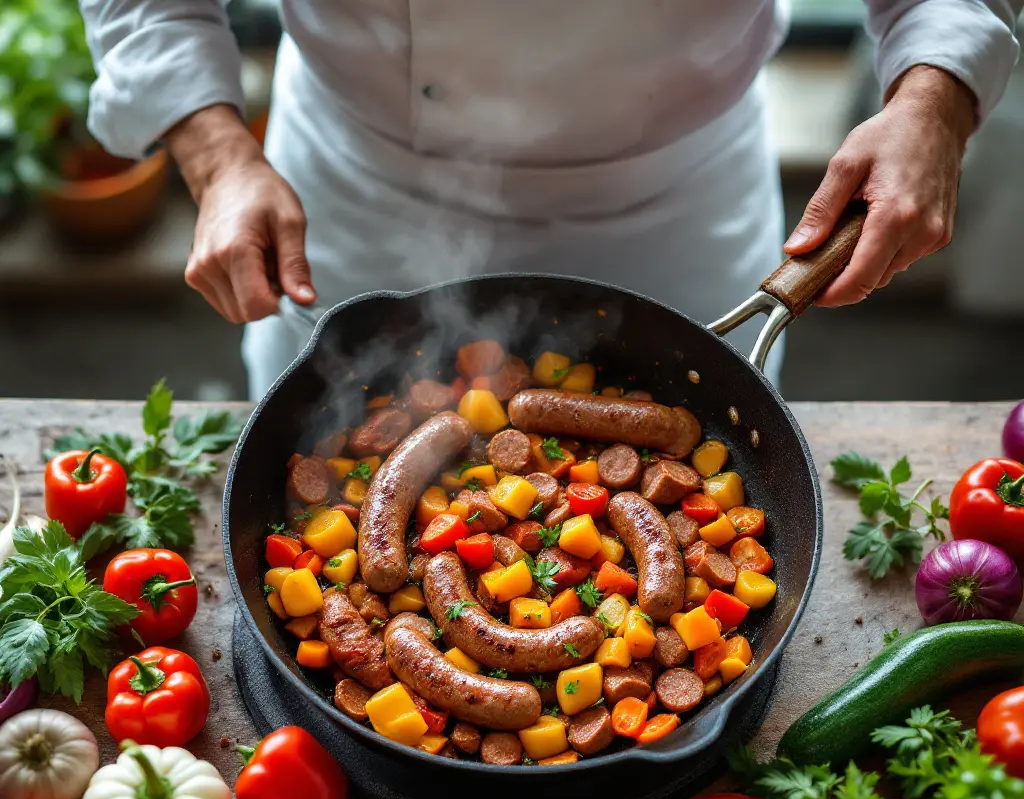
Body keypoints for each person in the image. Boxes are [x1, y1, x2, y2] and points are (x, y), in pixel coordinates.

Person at [80, 1, 1021, 398]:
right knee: (323, 452)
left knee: (720, 479)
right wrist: (215, 154)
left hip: (675, 197)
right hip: (356, 194)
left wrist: (934, 98)